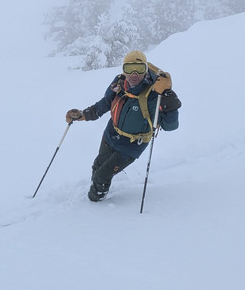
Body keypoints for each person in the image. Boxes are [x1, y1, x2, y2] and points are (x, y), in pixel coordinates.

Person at [66, 50, 181, 202]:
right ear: (123, 70)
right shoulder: (119, 82)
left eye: (139, 69)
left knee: (101, 176)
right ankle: (104, 185)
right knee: (97, 166)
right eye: (129, 68)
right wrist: (83, 115)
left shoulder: (155, 95)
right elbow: (106, 102)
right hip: (111, 133)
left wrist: (169, 99)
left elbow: (170, 126)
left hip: (132, 144)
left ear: (145, 70)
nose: (134, 74)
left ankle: (94, 202)